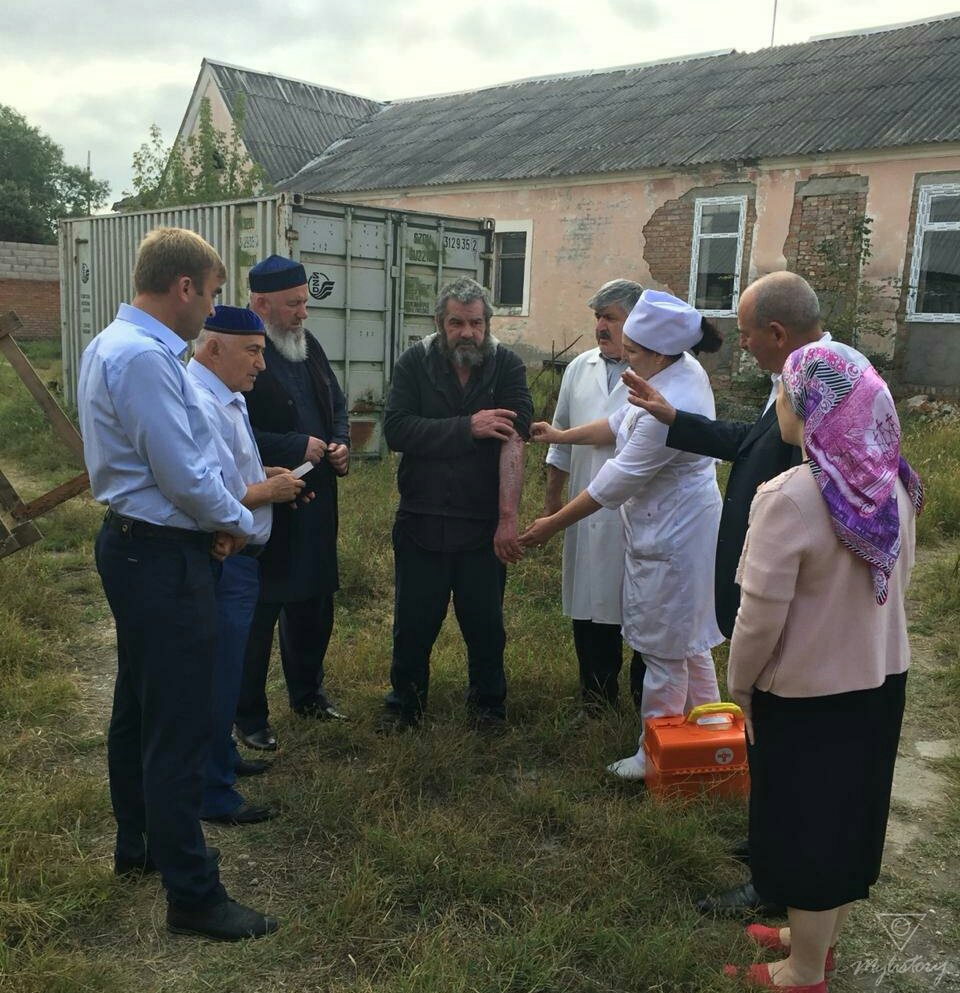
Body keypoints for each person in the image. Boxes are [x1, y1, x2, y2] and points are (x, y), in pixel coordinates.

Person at [77, 227, 277, 940]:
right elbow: (183, 472)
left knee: (138, 702)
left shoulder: (114, 344)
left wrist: (215, 519)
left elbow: (180, 471)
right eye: (213, 293)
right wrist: (238, 523)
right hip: (160, 554)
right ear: (184, 287)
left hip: (143, 545)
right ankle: (191, 890)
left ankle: (139, 843)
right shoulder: (145, 358)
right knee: (180, 721)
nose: (212, 309)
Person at [624, 271, 828, 914]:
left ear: (775, 332)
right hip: (765, 576)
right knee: (764, 720)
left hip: (794, 592)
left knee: (788, 727)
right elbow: (752, 442)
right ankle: (764, 835)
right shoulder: (790, 379)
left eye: (744, 334)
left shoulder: (822, 384)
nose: (737, 345)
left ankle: (776, 879)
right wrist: (671, 417)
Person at [721, 342, 922, 992]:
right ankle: (813, 939)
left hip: (806, 691)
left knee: (803, 823)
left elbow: (758, 617)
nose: (779, 403)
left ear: (813, 408)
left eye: (784, 393)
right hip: (878, 682)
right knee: (842, 818)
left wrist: (739, 683)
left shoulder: (793, 495)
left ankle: (803, 970)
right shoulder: (893, 479)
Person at [521, 289, 724, 778]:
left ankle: (654, 751)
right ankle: (713, 732)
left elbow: (613, 482)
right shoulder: (671, 370)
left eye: (632, 352)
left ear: (657, 352)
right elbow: (617, 422)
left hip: (674, 537)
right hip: (679, 529)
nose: (624, 359)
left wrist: (550, 524)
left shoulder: (673, 400)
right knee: (689, 640)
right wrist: (560, 435)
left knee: (662, 648)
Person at [381, 277, 533, 728]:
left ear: (487, 323)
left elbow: (516, 437)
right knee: (413, 622)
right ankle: (404, 705)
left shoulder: (506, 366)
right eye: (456, 323)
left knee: (486, 625)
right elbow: (397, 430)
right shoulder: (415, 363)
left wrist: (508, 520)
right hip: (421, 517)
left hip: (481, 522)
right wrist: (467, 427)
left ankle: (488, 706)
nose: (467, 332)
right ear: (439, 323)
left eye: (475, 323)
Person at [188, 305, 307, 825]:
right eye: (253, 352)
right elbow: (208, 490)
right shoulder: (200, 401)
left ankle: (223, 761)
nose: (262, 364)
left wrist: (267, 471)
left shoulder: (228, 394)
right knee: (214, 677)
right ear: (214, 348)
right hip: (225, 557)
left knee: (229, 669)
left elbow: (235, 468)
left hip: (242, 556)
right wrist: (270, 490)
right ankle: (212, 790)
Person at [236, 255, 351, 752]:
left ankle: (308, 694)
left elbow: (336, 405)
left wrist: (340, 443)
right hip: (269, 504)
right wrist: (292, 447)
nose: (304, 313)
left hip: (317, 502)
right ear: (261, 304)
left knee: (313, 606)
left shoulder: (310, 346)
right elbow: (231, 434)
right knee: (261, 616)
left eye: (305, 302)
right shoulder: (242, 352)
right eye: (294, 304)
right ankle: (249, 715)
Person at [544, 279, 642, 713]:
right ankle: (596, 698)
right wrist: (551, 505)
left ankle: (645, 700)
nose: (601, 326)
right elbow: (559, 442)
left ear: (636, 322)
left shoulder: (657, 373)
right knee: (588, 601)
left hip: (637, 512)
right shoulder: (578, 368)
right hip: (582, 506)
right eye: (598, 317)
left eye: (611, 318)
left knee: (637, 606)